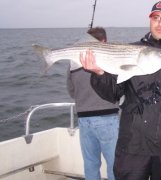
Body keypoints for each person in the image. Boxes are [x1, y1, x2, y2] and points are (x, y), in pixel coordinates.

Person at [80, 1, 161, 179]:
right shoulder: (129, 51)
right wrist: (99, 73)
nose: (160, 23)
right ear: (150, 21)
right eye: (156, 18)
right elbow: (113, 94)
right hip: (132, 146)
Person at [67, 26, 119, 180]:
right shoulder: (109, 58)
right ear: (104, 41)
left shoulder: (73, 62)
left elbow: (71, 91)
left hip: (83, 119)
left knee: (90, 163)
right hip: (108, 117)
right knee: (114, 164)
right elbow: (118, 88)